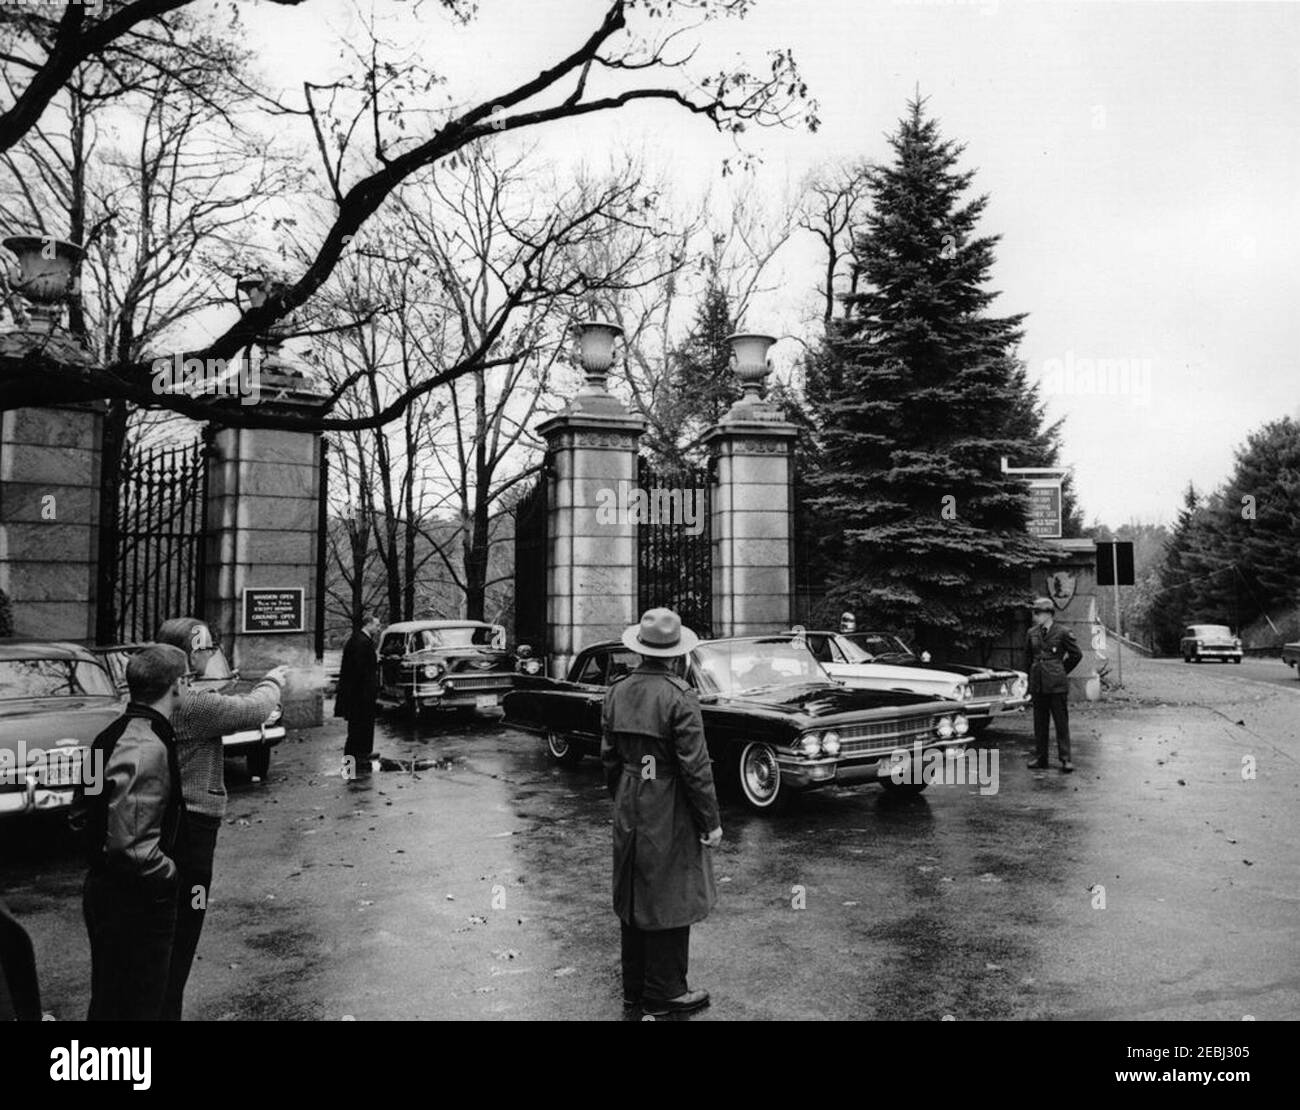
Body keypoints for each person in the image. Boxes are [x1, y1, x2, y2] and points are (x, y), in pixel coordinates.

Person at [153, 617, 286, 1021]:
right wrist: (274, 681)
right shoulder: (191, 704)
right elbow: (255, 709)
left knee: (161, 931)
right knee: (185, 926)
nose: (210, 655)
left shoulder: (151, 699)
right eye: (205, 648)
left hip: (161, 822)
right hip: (194, 826)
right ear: (189, 656)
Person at [601, 608, 722, 1018]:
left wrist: (623, 794)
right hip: (667, 797)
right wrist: (711, 821)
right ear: (674, 655)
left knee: (634, 888)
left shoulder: (617, 690)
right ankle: (667, 990)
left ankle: (634, 987)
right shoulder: (679, 695)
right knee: (671, 890)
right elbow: (695, 766)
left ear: (640, 650)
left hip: (631, 793)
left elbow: (609, 758)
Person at [71, 644, 189, 1021]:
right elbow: (132, 849)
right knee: (140, 1004)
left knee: (109, 1000)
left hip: (102, 889)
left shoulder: (105, 736)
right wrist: (169, 876)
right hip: (137, 898)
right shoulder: (145, 746)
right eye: (185, 679)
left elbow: (79, 809)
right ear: (176, 685)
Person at [1026, 597, 1083, 772]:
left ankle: (1065, 759)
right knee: (1040, 724)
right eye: (1034, 612)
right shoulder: (1032, 633)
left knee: (1061, 722)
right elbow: (1027, 657)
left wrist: (1060, 670)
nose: (1035, 616)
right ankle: (1041, 758)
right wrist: (1030, 681)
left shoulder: (1063, 632)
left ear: (1049, 614)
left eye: (1039, 612)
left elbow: (1076, 655)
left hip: (1056, 685)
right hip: (1039, 684)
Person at [334, 611, 381, 774]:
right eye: (377, 625)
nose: (379, 628)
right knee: (357, 729)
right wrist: (369, 690)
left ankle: (360, 756)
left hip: (359, 694)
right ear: (368, 624)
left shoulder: (359, 640)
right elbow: (361, 671)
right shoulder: (362, 642)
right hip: (360, 696)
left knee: (361, 728)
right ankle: (351, 762)